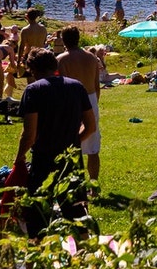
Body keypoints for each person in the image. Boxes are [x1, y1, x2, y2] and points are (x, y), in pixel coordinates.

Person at [13, 50, 96, 238]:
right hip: (71, 158)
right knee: (76, 212)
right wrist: (73, 142)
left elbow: (30, 134)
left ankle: (38, 256)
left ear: (32, 69)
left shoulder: (34, 90)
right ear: (55, 66)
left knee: (38, 213)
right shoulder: (77, 87)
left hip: (43, 158)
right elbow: (91, 126)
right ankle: (85, 257)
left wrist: (19, 157)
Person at [54, 27, 104, 184]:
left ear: (64, 40)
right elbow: (97, 86)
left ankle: (73, 182)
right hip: (91, 98)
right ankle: (93, 183)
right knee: (93, 146)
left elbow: (61, 86)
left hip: (72, 99)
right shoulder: (91, 58)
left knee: (70, 142)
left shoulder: (61, 59)